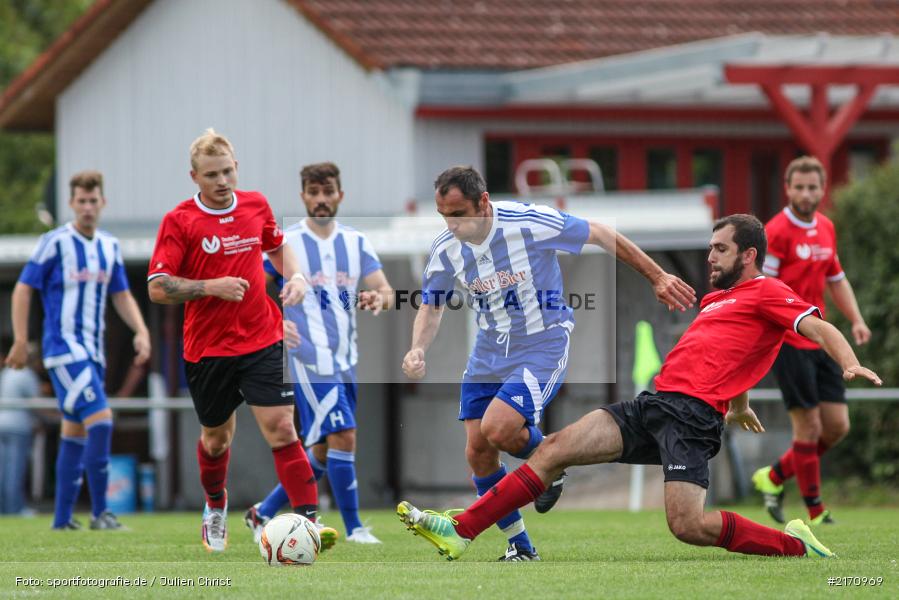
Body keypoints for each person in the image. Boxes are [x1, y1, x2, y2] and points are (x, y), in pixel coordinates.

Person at [397, 214, 881, 561]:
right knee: (554, 449)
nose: (710, 256)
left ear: (749, 254)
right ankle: (462, 530)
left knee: (687, 527)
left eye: (720, 249)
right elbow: (739, 356)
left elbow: (817, 328)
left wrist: (849, 361)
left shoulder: (770, 292)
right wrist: (739, 403)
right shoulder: (717, 299)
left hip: (692, 421)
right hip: (653, 404)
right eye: (710, 247)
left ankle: (795, 544)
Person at [401, 166, 696, 561]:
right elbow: (432, 306)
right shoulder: (446, 248)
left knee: (499, 427)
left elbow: (601, 233)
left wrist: (657, 276)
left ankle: (550, 463)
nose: (451, 225)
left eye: (459, 215)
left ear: (483, 203)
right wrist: (418, 347)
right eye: (444, 216)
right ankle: (521, 545)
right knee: (478, 451)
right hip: (488, 352)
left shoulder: (528, 222)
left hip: (543, 342)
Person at [147, 129, 336, 552]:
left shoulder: (255, 205)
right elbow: (158, 287)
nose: (222, 181)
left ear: (237, 168)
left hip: (262, 338)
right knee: (217, 439)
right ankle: (216, 504)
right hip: (208, 350)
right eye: (212, 174)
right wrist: (209, 286)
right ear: (194, 176)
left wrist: (299, 277)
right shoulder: (180, 221)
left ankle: (308, 523)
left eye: (228, 171)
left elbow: (276, 247)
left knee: (283, 428)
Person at [243, 162, 393, 545]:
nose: (321, 199)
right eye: (314, 192)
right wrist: (277, 321)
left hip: (346, 358)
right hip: (308, 356)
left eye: (328, 192)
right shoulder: (286, 243)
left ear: (340, 195)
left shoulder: (356, 242)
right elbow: (256, 289)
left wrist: (378, 296)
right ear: (303, 196)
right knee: (344, 434)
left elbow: (386, 290)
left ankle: (261, 513)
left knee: (324, 450)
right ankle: (355, 527)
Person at [5, 170, 151, 530]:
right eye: (81, 201)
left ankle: (61, 519)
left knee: (74, 432)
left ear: (102, 203)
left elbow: (120, 294)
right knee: (101, 420)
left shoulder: (109, 246)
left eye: (93, 200)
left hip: (93, 353)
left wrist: (142, 330)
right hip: (63, 351)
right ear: (71, 204)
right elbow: (23, 289)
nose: (87, 207)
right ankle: (102, 513)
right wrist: (22, 340)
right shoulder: (54, 242)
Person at [752, 156, 870, 525]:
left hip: (822, 339)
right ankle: (816, 511)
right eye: (799, 187)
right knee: (809, 427)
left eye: (812, 187)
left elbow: (836, 278)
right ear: (787, 189)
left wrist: (856, 319)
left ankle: (772, 477)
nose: (806, 193)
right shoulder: (776, 231)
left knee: (837, 427)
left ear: (823, 189)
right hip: (788, 340)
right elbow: (762, 289)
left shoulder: (826, 228)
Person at [0, 340, 40, 515]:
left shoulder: (6, 372)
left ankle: (4, 508)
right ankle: (14, 508)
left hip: (2, 424)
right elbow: (37, 404)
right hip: (18, 427)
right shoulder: (26, 374)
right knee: (15, 471)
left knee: (3, 471)